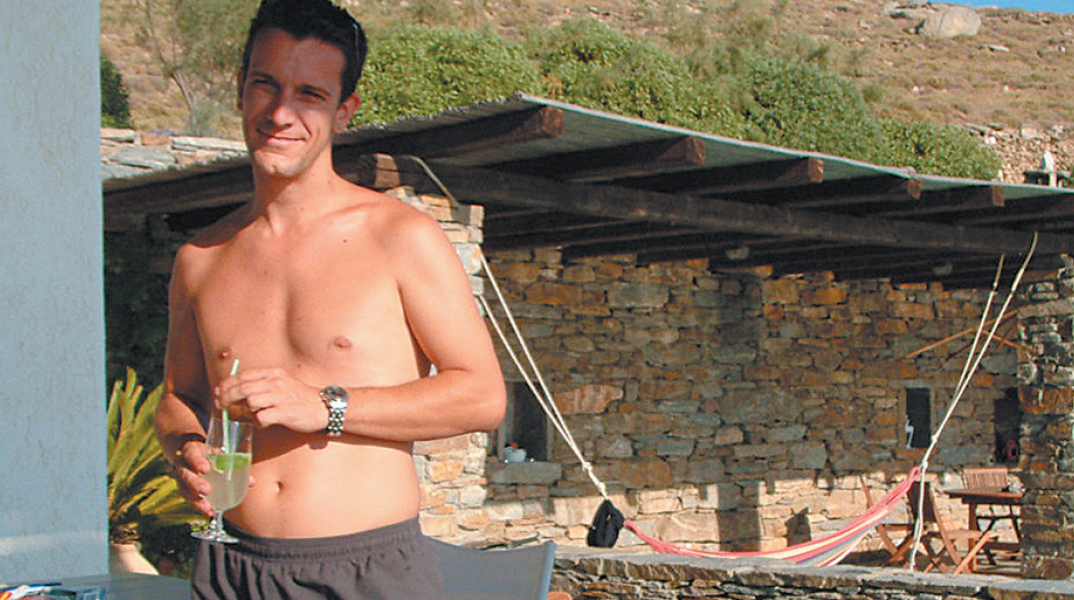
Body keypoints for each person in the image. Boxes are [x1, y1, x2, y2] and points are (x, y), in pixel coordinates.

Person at [154, 0, 507, 598]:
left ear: (344, 112)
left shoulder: (399, 236)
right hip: (231, 567)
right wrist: (186, 447)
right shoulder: (202, 256)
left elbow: (481, 396)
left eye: (309, 95)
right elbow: (177, 398)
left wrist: (325, 406)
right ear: (240, 89)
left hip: (363, 571)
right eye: (265, 84)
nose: (280, 113)